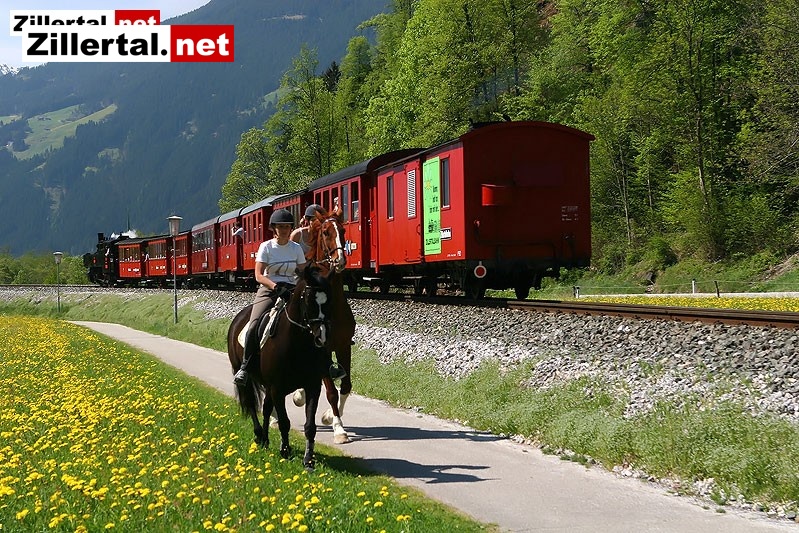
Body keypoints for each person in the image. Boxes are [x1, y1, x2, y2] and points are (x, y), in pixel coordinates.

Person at [233, 209, 307, 386]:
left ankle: (325, 364)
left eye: (287, 227)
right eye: (280, 227)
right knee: (254, 324)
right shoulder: (266, 247)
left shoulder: (296, 248)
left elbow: (303, 272)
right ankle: (245, 367)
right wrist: (275, 287)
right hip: (269, 289)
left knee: (315, 319)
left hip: (292, 290)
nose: (284, 230)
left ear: (291, 228)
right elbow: (258, 275)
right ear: (274, 228)